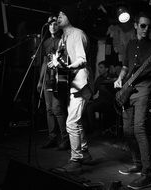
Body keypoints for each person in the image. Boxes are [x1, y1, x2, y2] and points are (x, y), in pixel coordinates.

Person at [113, 12, 151, 189]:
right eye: (142, 25)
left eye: (148, 27)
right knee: (127, 131)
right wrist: (120, 78)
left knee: (139, 129)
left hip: (143, 89)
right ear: (136, 25)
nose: (146, 29)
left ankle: (147, 174)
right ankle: (137, 163)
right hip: (127, 88)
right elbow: (126, 66)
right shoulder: (130, 44)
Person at [49, 5, 93, 173]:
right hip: (72, 84)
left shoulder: (77, 34)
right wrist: (56, 63)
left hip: (80, 83)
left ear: (70, 17)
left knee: (71, 122)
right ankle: (86, 154)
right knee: (77, 121)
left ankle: (76, 161)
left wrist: (66, 67)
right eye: (58, 14)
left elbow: (81, 60)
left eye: (62, 14)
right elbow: (64, 61)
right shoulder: (63, 38)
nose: (58, 17)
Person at [37, 16, 69, 150]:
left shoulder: (63, 40)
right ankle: (52, 138)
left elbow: (66, 59)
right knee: (49, 109)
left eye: (55, 24)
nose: (52, 27)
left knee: (57, 108)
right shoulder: (45, 42)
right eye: (50, 25)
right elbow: (45, 62)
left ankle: (65, 139)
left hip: (59, 77)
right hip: (47, 79)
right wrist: (40, 80)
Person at [82, 60, 117, 134]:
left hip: (109, 101)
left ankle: (92, 130)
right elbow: (93, 92)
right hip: (100, 100)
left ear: (106, 69)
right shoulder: (99, 78)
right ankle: (89, 128)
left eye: (101, 67)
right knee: (85, 106)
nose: (99, 70)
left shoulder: (112, 77)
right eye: (99, 68)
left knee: (90, 107)